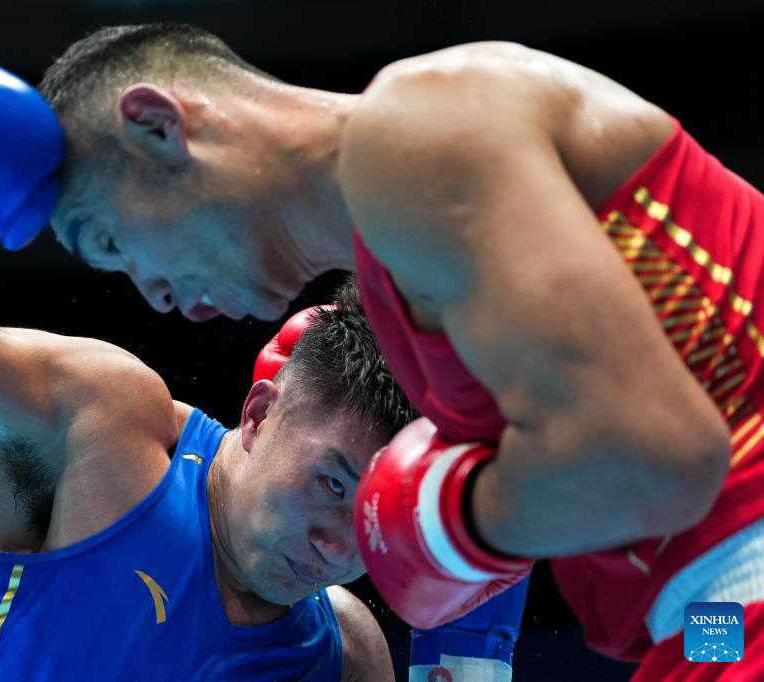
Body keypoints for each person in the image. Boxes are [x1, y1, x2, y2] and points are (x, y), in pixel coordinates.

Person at [37, 23, 764, 680]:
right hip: (714, 616)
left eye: (113, 243)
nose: (154, 295)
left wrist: (441, 521)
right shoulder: (406, 292)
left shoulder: (417, 130)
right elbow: (676, 531)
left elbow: (666, 456)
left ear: (157, 127)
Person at [0, 53, 418, 680]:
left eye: (373, 516)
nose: (338, 547)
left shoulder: (347, 654)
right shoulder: (105, 425)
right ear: (259, 413)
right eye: (332, 484)